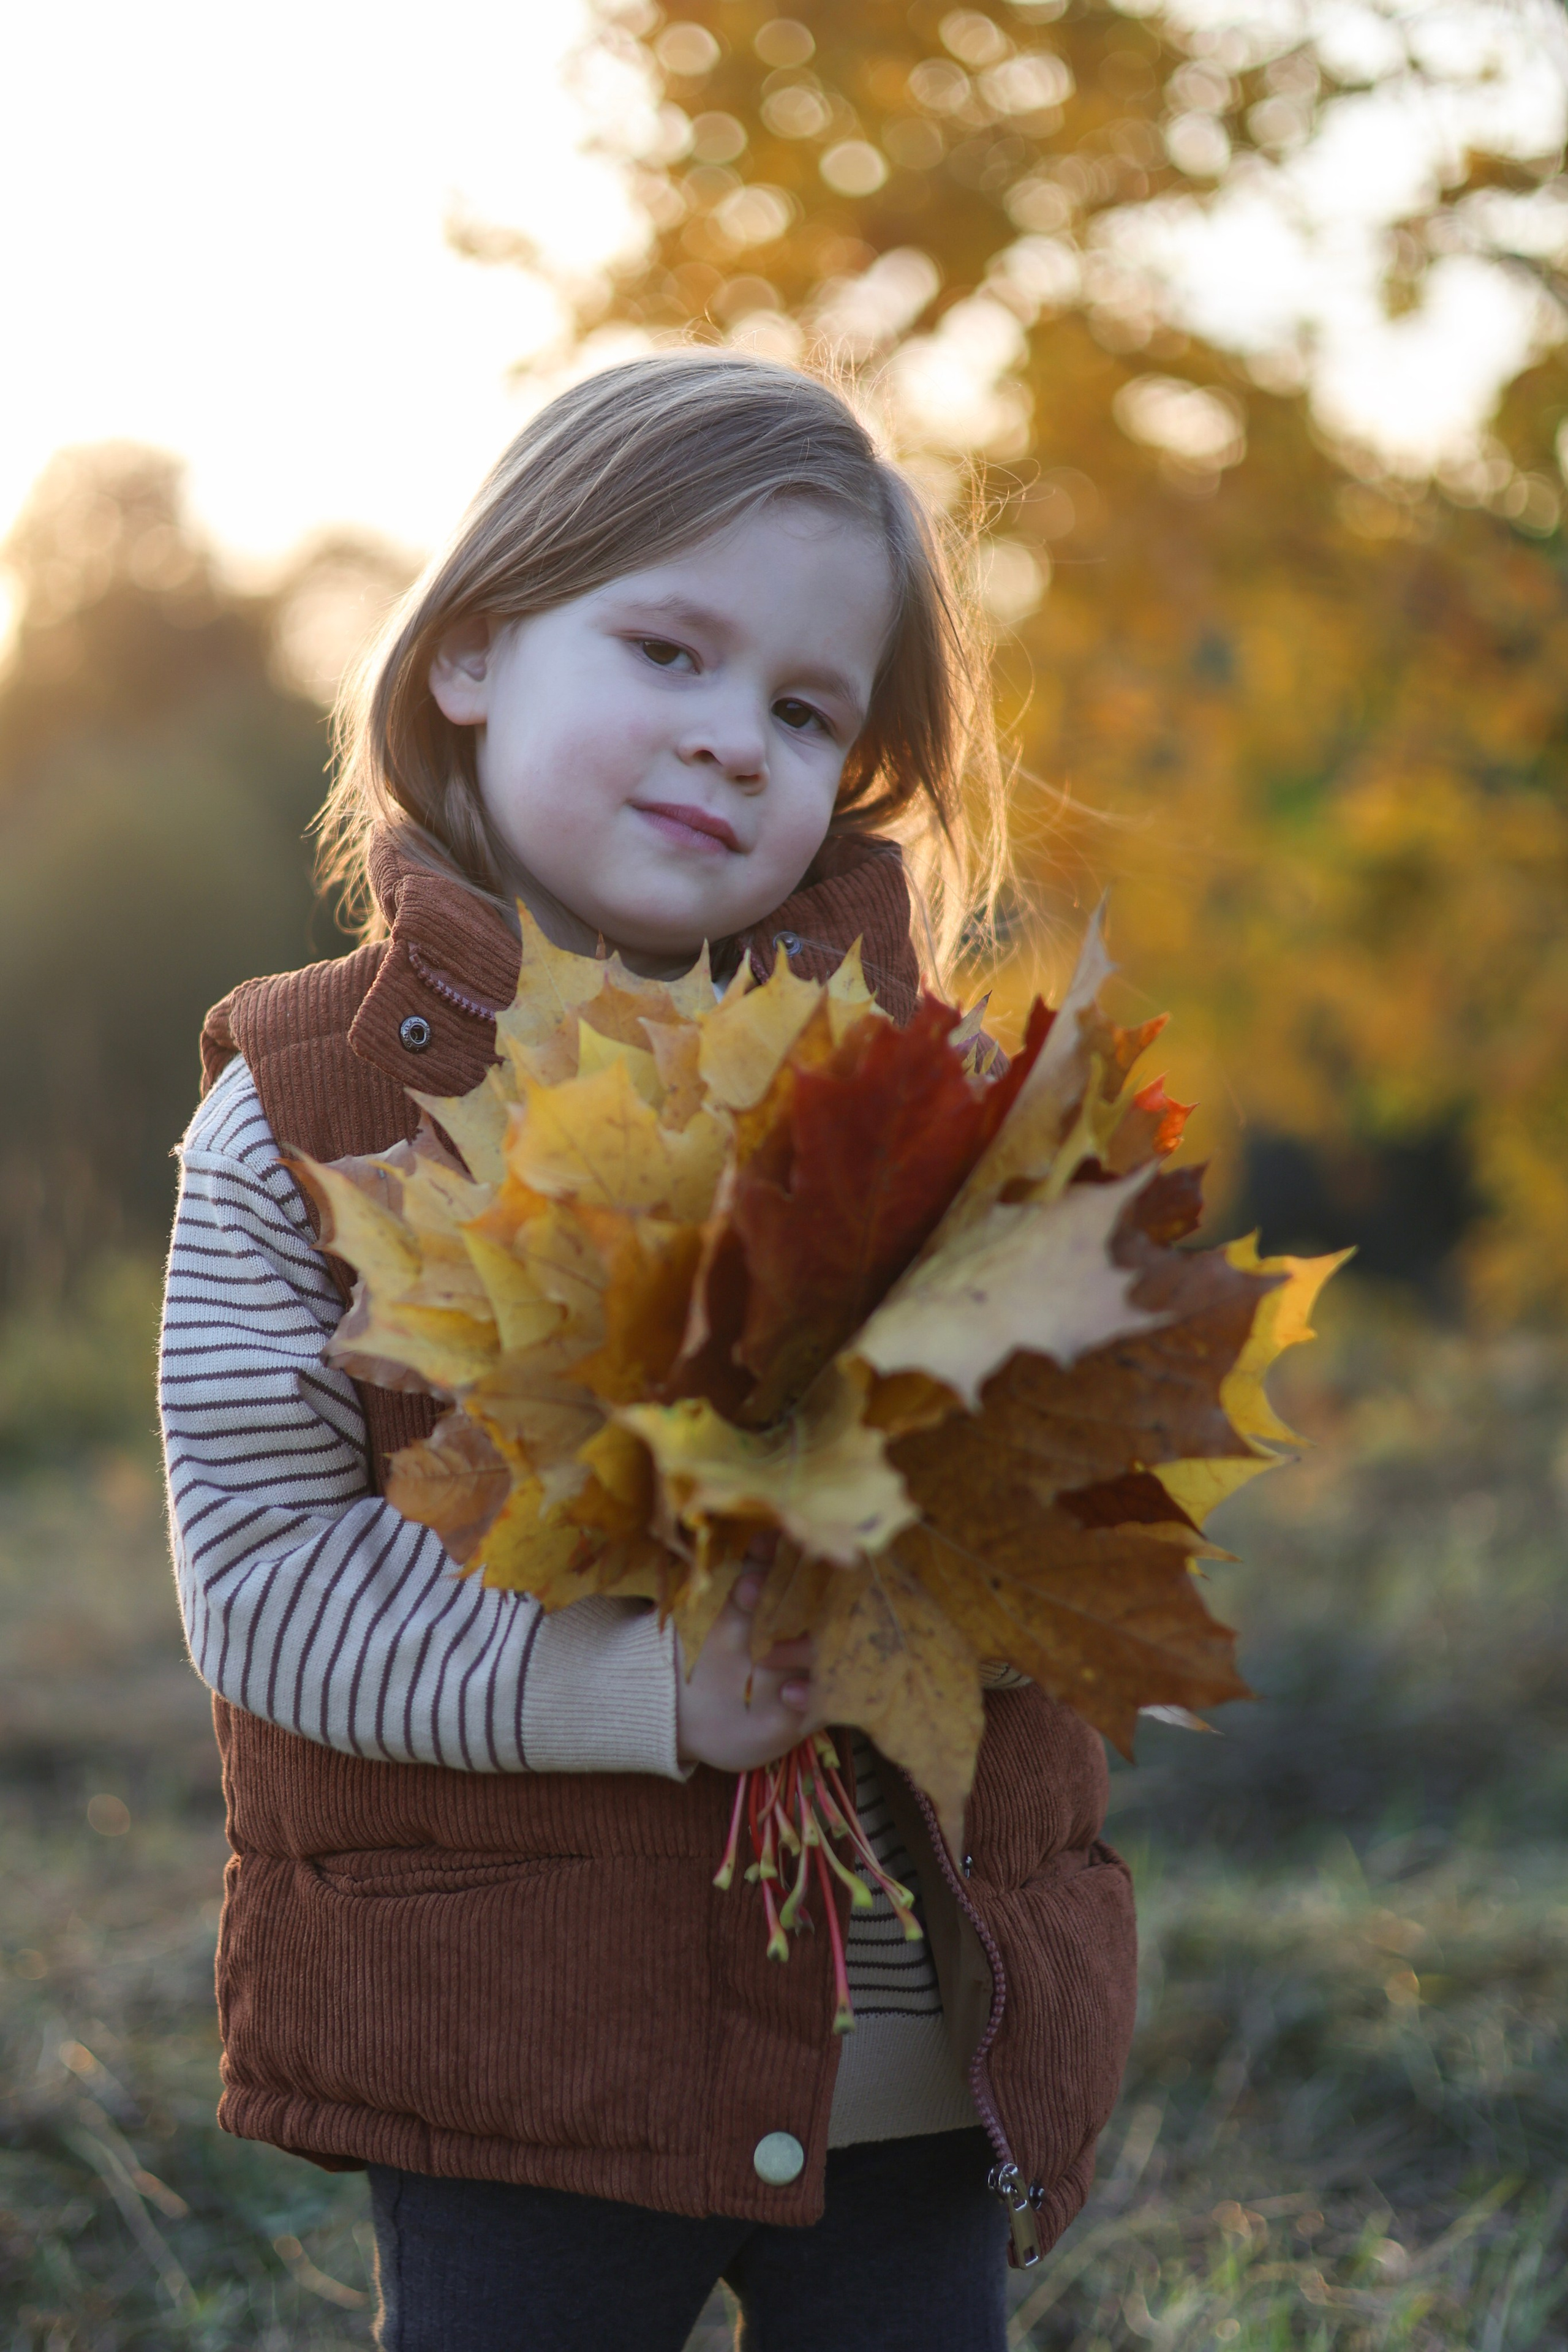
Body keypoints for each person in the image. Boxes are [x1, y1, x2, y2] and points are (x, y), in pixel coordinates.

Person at [160, 352, 1136, 2352]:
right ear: (475, 652)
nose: (731, 741)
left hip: (913, 2056)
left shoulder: (937, 1111)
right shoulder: (302, 1107)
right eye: (669, 651)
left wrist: (961, 1560)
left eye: (800, 711)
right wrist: (637, 1690)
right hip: (527, 2053)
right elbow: (266, 1581)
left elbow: (1084, 1513)